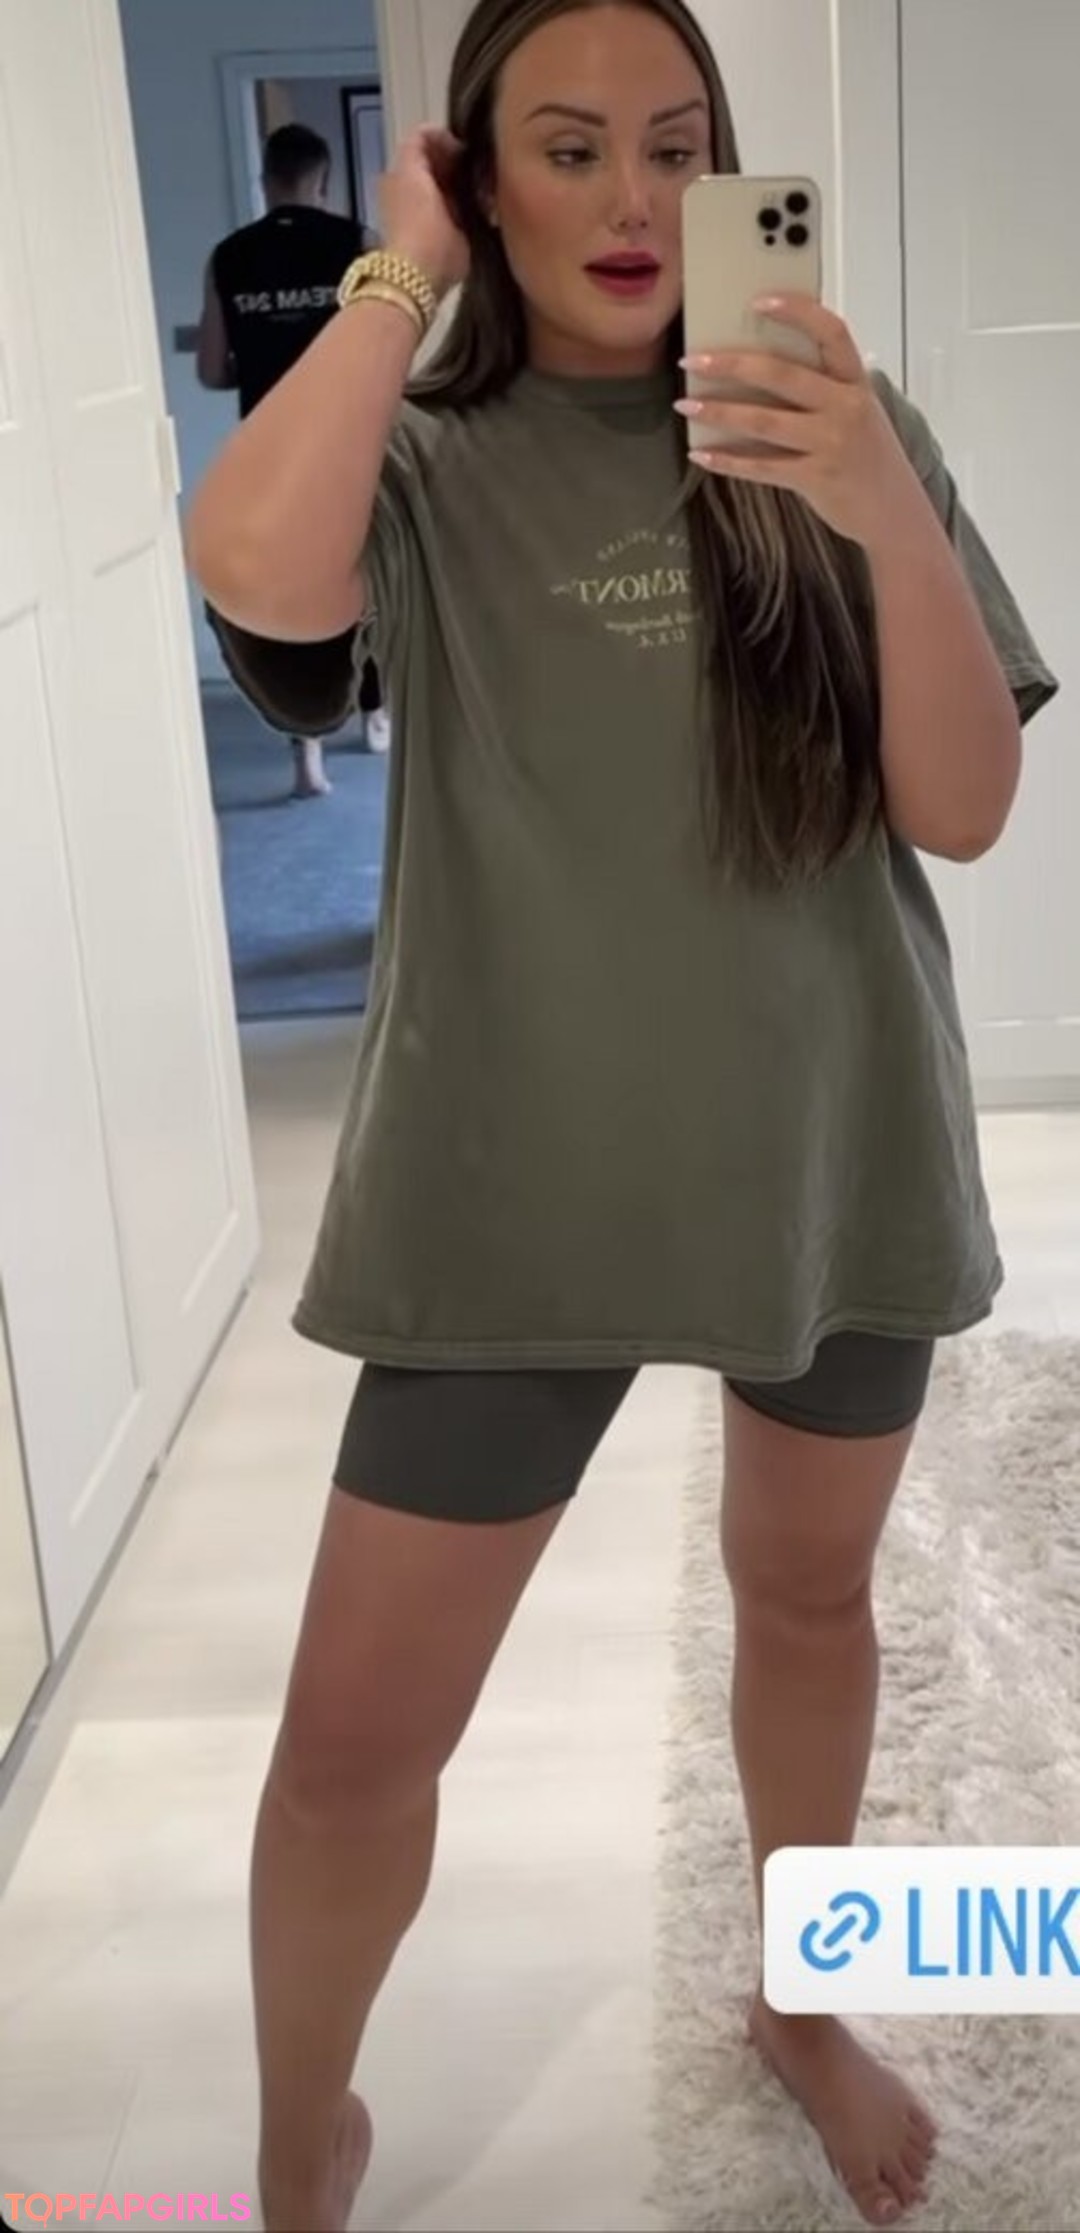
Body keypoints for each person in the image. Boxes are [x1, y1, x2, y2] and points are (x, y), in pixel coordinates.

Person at [186, 2, 1059, 2227]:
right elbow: (255, 567)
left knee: (811, 1608)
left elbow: (965, 804)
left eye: (679, 146)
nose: (636, 199)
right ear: (480, 180)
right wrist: (395, 272)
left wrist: (874, 496)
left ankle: (799, 2002)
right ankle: (298, 2134)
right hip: (509, 1179)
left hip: (826, 1148)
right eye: (566, 150)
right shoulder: (427, 459)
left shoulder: (837, 421)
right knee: (353, 1746)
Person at [197, 121, 391, 798]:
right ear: (324, 180)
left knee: (286, 599)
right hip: (349, 449)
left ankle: (306, 756)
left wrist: (262, 361)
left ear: (266, 179)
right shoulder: (359, 244)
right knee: (363, 585)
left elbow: (211, 371)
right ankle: (374, 715)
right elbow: (389, 346)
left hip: (269, 459)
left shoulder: (229, 256)